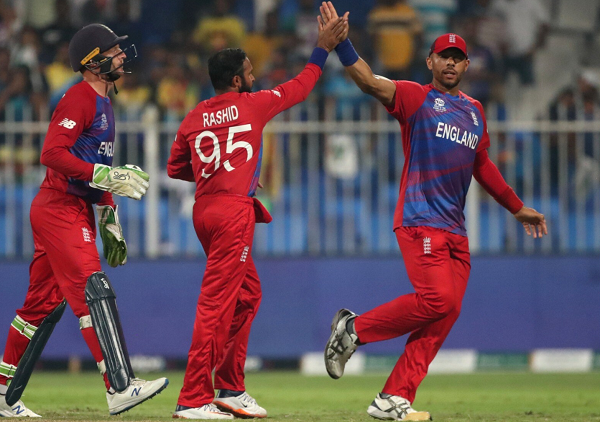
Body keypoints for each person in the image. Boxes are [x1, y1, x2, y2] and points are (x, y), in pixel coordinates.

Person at [319, 2, 547, 421]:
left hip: (455, 230)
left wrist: (516, 208)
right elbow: (368, 81)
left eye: (458, 58)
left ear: (467, 65)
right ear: (430, 61)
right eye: (444, 56)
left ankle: (393, 398)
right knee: (437, 299)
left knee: (447, 311)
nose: (451, 63)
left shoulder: (475, 111)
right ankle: (353, 330)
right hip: (419, 219)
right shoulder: (415, 97)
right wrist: (342, 45)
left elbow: (482, 165)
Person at [167, 13, 348, 421]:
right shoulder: (253, 104)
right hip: (233, 214)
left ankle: (230, 387)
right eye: (250, 73)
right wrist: (323, 48)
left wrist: (224, 171)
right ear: (236, 81)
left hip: (205, 211)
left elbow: (175, 168)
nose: (255, 77)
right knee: (216, 305)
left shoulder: (195, 115)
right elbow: (301, 86)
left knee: (247, 295)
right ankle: (193, 397)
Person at [0, 23, 168, 418]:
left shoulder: (104, 104)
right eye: (114, 51)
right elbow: (51, 154)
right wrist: (103, 176)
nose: (122, 55)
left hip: (68, 208)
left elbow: (95, 170)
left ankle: (3, 393)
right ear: (92, 62)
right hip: (60, 207)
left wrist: (108, 215)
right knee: (94, 289)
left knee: (39, 308)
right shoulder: (79, 98)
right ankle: (119, 386)